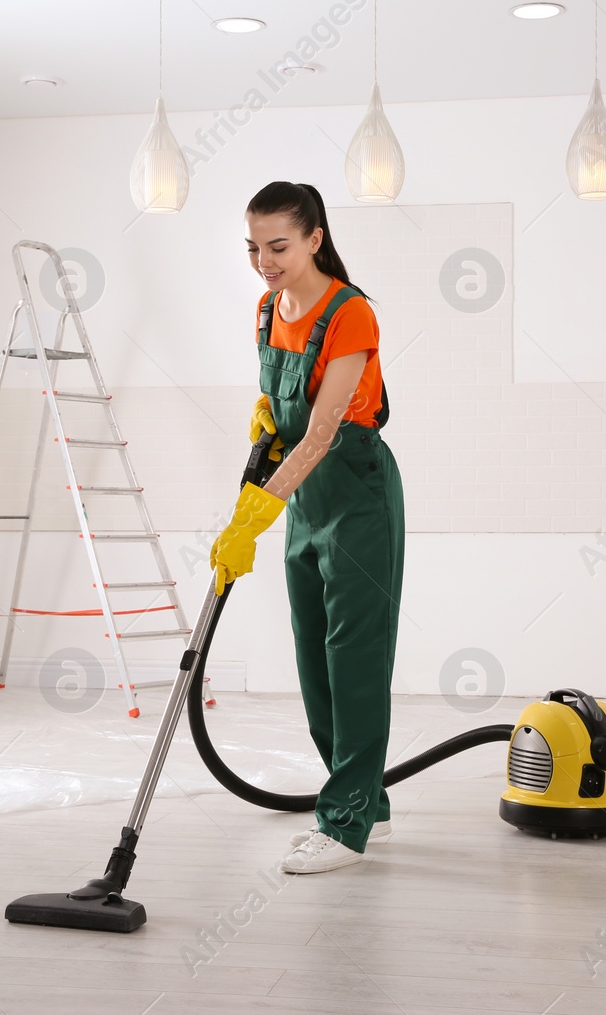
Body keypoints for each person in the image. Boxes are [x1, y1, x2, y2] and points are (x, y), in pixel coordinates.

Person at [209, 181, 405, 875]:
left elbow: (322, 432)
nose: (264, 260)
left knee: (354, 661)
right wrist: (266, 412)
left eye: (279, 245)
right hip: (305, 503)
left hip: (355, 495)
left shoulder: (351, 313)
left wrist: (255, 511)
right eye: (254, 246)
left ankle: (345, 822)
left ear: (316, 237)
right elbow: (287, 403)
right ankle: (365, 801)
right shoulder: (268, 308)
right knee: (314, 662)